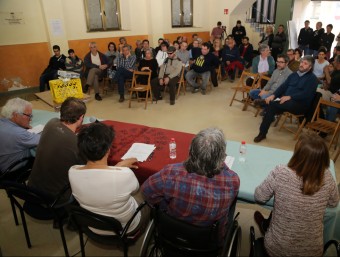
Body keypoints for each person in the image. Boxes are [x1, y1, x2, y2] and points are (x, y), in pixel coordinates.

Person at [141, 127, 240, 242]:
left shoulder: (170, 172)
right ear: (222, 157)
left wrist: (164, 205)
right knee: (231, 207)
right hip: (206, 239)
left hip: (171, 231)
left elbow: (146, 192)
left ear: (191, 151)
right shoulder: (232, 181)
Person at [253, 133, 339, 257]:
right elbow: (334, 203)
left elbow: (259, 197)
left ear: (297, 154)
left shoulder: (281, 172)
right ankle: (266, 224)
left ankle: (266, 226)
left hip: (277, 249)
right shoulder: (328, 177)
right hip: (312, 252)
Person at [69, 122, 149, 235]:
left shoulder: (72, 171)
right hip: (125, 227)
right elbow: (135, 190)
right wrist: (119, 170)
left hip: (93, 225)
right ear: (108, 150)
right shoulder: (125, 175)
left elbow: (98, 179)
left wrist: (117, 168)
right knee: (148, 197)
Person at [28, 97, 87, 202]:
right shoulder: (77, 143)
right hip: (55, 198)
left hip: (31, 189)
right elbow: (86, 169)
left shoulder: (51, 122)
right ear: (81, 117)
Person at [253, 55, 319, 143]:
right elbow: (283, 87)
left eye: (305, 63)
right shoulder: (294, 75)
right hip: (284, 101)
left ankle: (265, 102)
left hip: (300, 105)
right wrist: (273, 95)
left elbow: (306, 94)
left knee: (272, 104)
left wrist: (290, 97)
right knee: (271, 107)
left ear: (310, 67)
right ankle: (262, 133)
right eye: (302, 62)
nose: (302, 64)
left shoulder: (312, 79)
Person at [0, 98, 40, 173]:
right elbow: (43, 139)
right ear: (15, 115)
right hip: (13, 169)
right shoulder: (19, 133)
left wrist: (22, 125)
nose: (30, 119)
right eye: (28, 115)